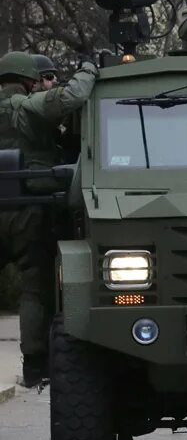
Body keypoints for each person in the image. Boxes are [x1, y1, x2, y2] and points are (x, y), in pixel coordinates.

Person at [0, 51, 97, 386]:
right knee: (34, 288)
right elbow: (74, 96)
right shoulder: (26, 107)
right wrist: (89, 67)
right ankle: (34, 364)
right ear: (28, 80)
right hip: (29, 207)